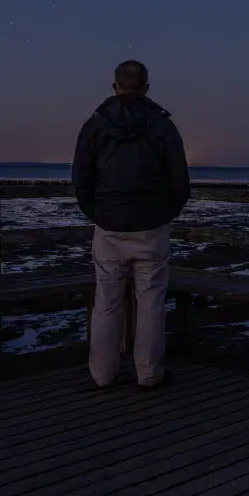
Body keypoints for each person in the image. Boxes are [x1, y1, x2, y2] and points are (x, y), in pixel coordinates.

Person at [71, 59, 191, 388]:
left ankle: (102, 374)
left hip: (108, 226)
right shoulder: (163, 126)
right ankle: (149, 374)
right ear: (146, 88)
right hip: (151, 226)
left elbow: (80, 179)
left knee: (107, 301)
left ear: (115, 87)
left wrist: (98, 213)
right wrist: (163, 213)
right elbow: (180, 183)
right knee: (151, 300)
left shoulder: (95, 126)